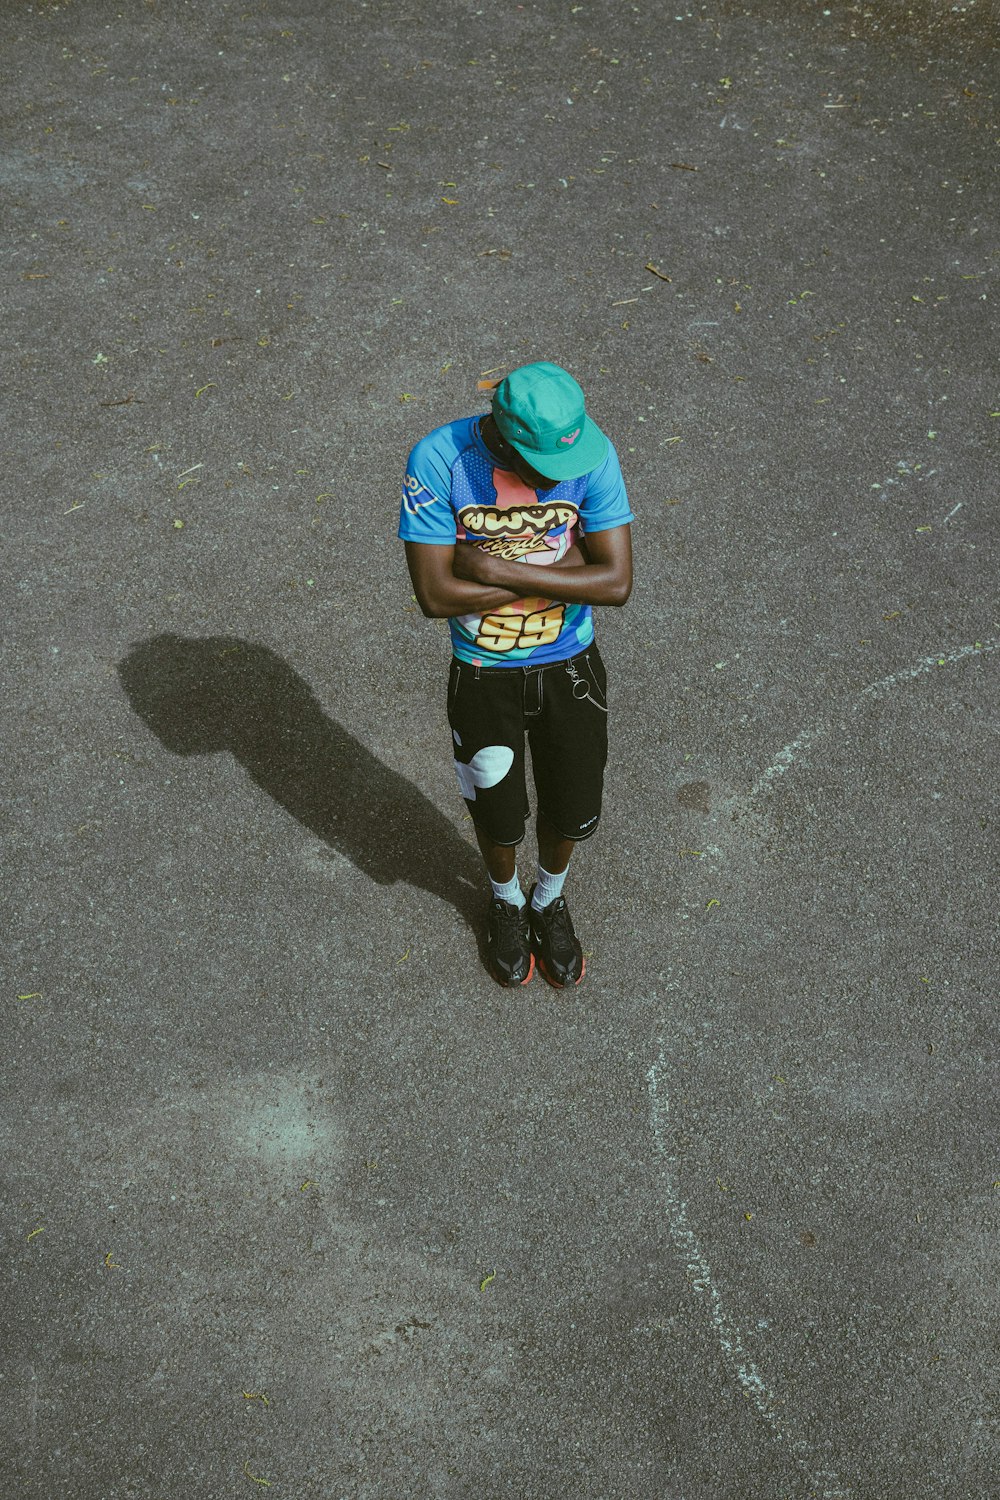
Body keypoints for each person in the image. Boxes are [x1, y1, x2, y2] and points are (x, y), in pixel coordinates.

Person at [399, 361, 634, 988]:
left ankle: (548, 898)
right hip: (483, 674)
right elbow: (434, 594)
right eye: (545, 468)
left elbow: (615, 582)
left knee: (574, 806)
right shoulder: (439, 459)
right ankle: (505, 902)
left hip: (572, 668)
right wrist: (564, 566)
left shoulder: (590, 451)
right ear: (504, 439)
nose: (564, 477)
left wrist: (493, 568)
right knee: (496, 812)